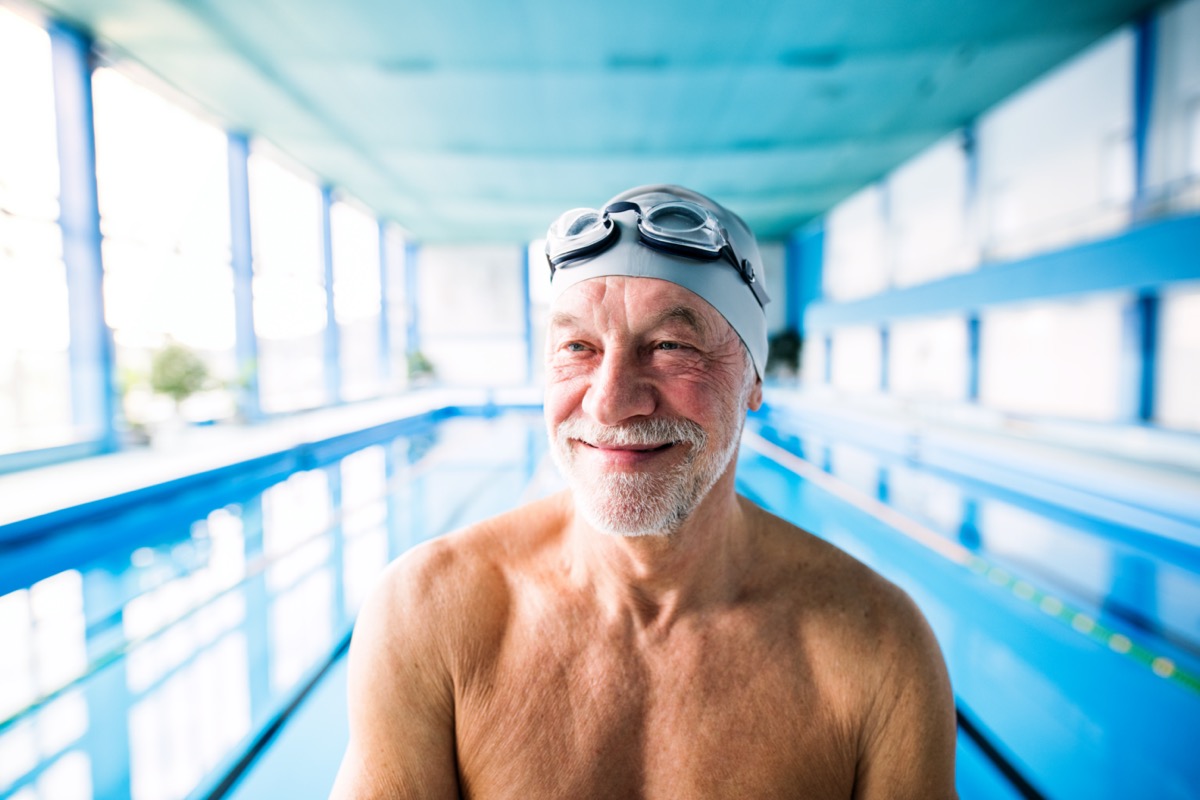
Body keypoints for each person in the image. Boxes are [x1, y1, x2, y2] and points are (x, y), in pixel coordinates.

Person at [330, 185, 958, 799]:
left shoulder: (878, 647)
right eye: (578, 347)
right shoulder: (430, 613)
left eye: (670, 346)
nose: (610, 400)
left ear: (754, 381)